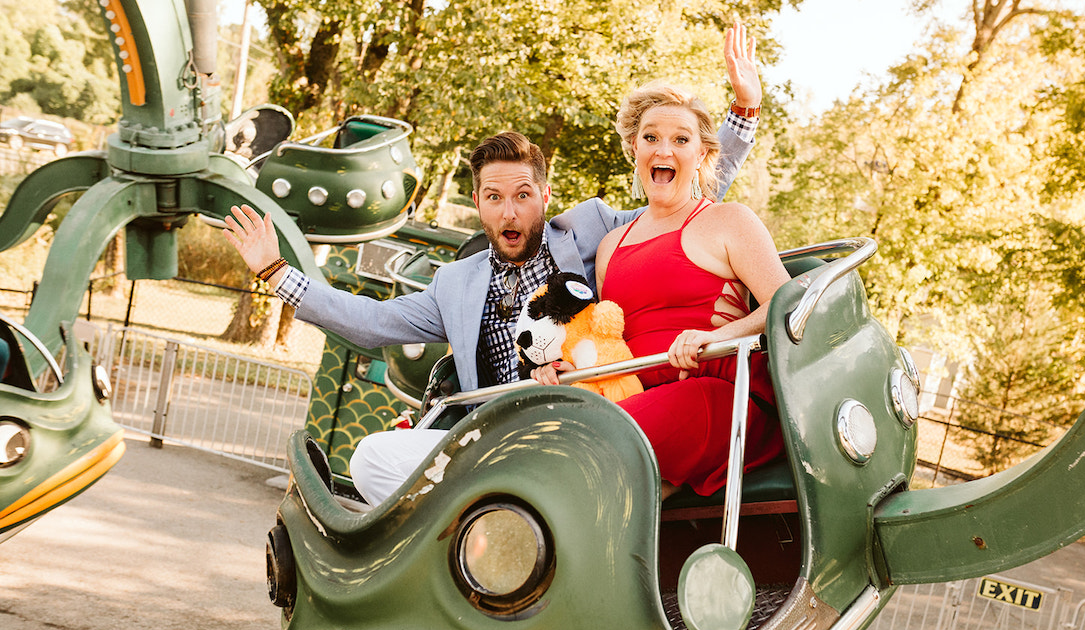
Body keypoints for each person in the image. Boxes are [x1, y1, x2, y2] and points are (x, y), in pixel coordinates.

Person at [221, 25, 765, 506]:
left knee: (514, 472)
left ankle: (485, 518)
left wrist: (742, 113)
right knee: (370, 457)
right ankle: (484, 517)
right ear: (478, 203)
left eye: (523, 194)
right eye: (495, 197)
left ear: (545, 196)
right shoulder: (456, 283)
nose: (511, 210)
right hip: (489, 432)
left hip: (576, 410)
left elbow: (678, 186)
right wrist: (277, 273)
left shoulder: (593, 231)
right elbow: (371, 320)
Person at [533, 82, 792, 499]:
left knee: (593, 444)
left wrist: (715, 336)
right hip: (636, 393)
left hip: (715, 392)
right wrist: (569, 368)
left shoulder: (728, 220)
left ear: (703, 154)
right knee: (541, 441)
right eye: (651, 137)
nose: (664, 150)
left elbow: (788, 303)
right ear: (634, 148)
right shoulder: (610, 246)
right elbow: (612, 340)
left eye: (681, 140)